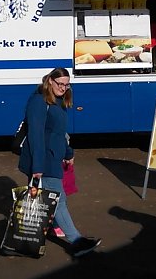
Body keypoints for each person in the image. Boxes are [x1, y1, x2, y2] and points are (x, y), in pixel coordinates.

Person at [18, 67, 101, 257]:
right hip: (43, 159)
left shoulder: (58, 101)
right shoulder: (39, 101)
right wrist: (37, 166)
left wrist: (68, 152)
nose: (63, 88)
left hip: (53, 157)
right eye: (60, 84)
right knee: (58, 200)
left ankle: (41, 232)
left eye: (67, 85)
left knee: (49, 200)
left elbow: (59, 133)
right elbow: (36, 135)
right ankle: (77, 242)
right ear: (50, 81)